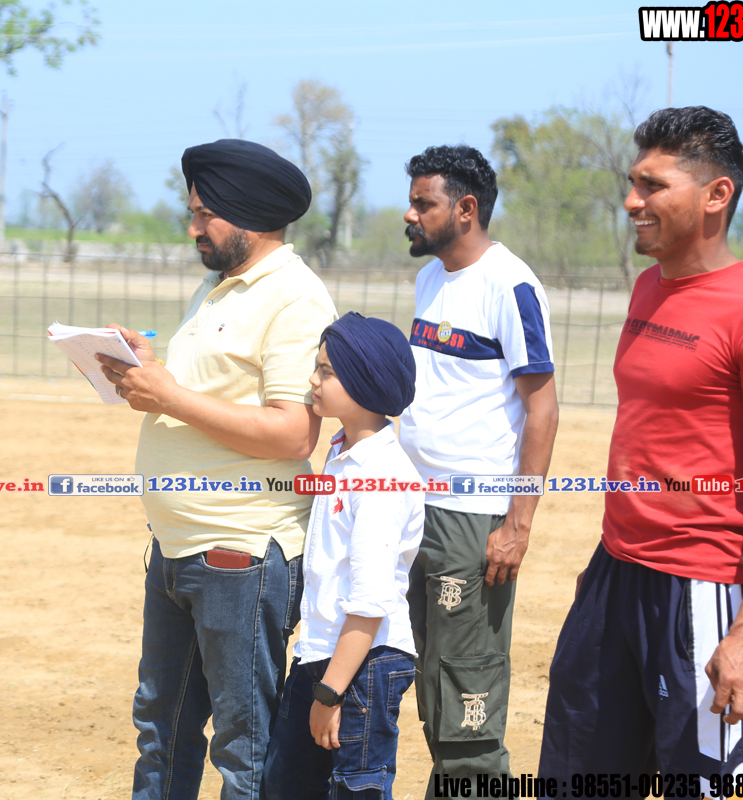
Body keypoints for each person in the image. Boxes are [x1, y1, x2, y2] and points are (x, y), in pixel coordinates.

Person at [538, 107, 743, 784]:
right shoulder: (648, 287)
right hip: (615, 575)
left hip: (702, 590)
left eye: (654, 185)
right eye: (633, 183)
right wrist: (606, 572)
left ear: (717, 195)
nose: (632, 201)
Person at [94, 139, 337, 800]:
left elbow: (294, 431)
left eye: (205, 214)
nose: (193, 227)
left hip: (241, 555)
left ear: (250, 215)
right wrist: (149, 372)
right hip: (177, 548)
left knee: (243, 744)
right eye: (193, 212)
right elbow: (206, 394)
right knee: (161, 730)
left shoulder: (295, 299)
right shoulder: (217, 284)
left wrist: (169, 396)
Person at [397, 145, 559, 796]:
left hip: (472, 517)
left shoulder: (510, 285)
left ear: (466, 209)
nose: (409, 214)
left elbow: (543, 409)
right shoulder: (429, 279)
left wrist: (517, 525)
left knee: (467, 682)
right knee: (428, 675)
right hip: (413, 505)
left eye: (423, 203)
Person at [263, 312, 423, 800]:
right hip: (323, 652)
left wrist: (331, 693)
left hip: (363, 664)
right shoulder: (342, 454)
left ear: (365, 382)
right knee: (285, 785)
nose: (313, 380)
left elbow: (371, 600)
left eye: (327, 371)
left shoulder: (381, 475)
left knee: (356, 788)